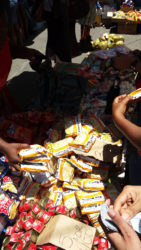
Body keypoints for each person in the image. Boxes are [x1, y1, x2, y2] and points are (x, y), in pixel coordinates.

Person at [0, 0, 43, 170]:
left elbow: (8, 49)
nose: (5, 30)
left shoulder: (4, 39)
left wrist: (24, 52)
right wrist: (4, 147)